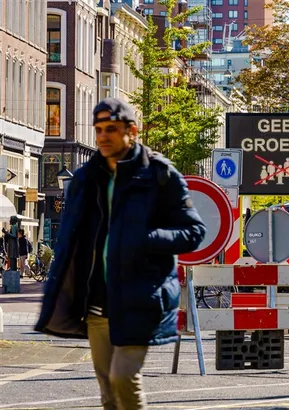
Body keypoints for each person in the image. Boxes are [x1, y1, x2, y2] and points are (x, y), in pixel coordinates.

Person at [35, 98, 206, 409]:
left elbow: (194, 232)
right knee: (108, 394)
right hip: (98, 304)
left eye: (111, 129)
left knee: (122, 377)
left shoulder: (158, 175)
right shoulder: (86, 179)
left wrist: (148, 238)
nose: (103, 136)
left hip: (140, 299)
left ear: (132, 131)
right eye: (98, 129)